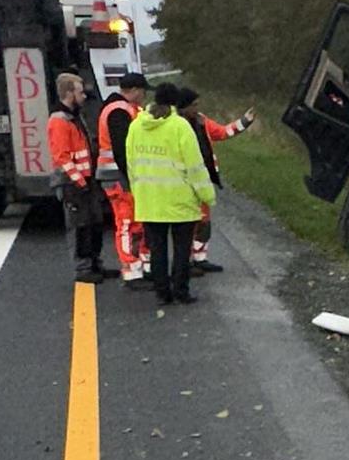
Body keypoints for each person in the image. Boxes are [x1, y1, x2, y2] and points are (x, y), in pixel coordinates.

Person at [126, 83, 213, 305]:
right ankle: (181, 291)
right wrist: (207, 195)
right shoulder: (180, 127)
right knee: (182, 250)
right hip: (179, 200)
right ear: (175, 103)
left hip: (149, 200)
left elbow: (131, 165)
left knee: (157, 250)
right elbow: (195, 166)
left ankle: (162, 292)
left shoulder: (137, 126)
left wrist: (138, 192)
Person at [168, 86, 255, 274]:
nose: (197, 109)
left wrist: (244, 122)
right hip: (182, 183)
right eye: (194, 105)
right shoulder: (173, 125)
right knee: (186, 225)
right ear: (183, 107)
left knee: (204, 222)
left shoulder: (201, 121)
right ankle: (186, 261)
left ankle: (200, 257)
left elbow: (223, 132)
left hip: (202, 179)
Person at [47, 72, 105, 283]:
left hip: (85, 178)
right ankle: (83, 269)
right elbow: (62, 156)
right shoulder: (60, 121)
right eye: (80, 92)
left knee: (94, 223)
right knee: (79, 226)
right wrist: (79, 180)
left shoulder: (75, 116)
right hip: (72, 182)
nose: (84, 96)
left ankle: (95, 263)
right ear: (69, 93)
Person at [95, 72, 151, 288]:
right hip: (118, 177)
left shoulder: (123, 108)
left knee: (135, 222)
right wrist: (132, 178)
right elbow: (122, 150)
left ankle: (138, 267)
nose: (144, 96)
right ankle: (131, 272)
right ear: (135, 90)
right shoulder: (119, 111)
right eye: (143, 91)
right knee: (127, 223)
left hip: (120, 176)